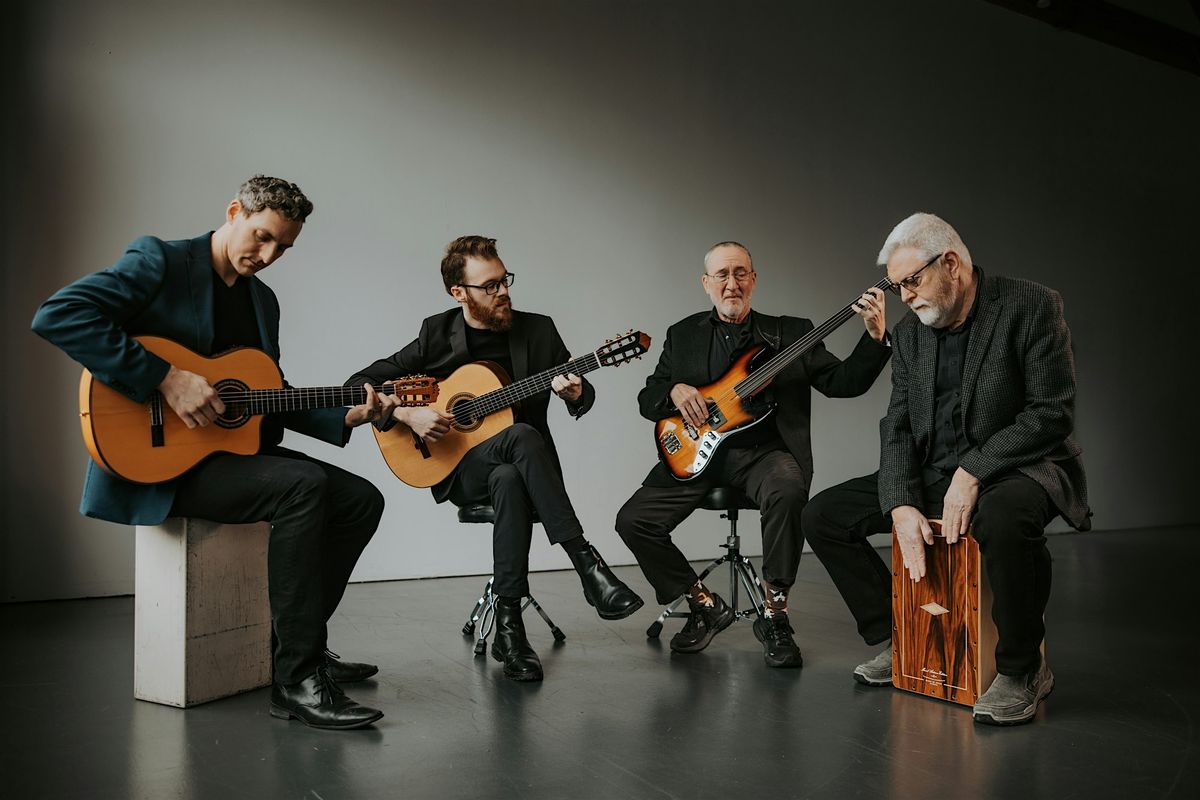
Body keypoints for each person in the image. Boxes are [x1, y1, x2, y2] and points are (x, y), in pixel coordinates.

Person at [32, 175, 395, 730]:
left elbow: (263, 393)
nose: (268, 256)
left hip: (225, 457)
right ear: (233, 212)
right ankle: (297, 682)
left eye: (283, 248)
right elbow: (59, 314)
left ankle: (299, 646)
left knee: (361, 500)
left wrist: (347, 414)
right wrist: (164, 377)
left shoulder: (261, 300)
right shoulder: (160, 262)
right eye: (262, 237)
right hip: (160, 464)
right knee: (304, 487)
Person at [802, 212, 1090, 725]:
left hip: (1019, 466)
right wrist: (900, 501)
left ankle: (1023, 668)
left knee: (1002, 519)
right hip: (935, 470)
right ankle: (900, 638)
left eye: (912, 281)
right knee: (823, 516)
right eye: (897, 286)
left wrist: (973, 471)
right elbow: (897, 424)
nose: (905, 296)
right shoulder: (910, 334)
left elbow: (1051, 412)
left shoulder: (1031, 304)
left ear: (951, 263)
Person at [346, 235, 643, 682]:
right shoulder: (435, 334)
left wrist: (576, 392)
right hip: (458, 467)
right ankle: (587, 564)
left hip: (526, 470)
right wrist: (407, 414)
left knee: (508, 474)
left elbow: (582, 392)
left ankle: (510, 628)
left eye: (505, 280)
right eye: (489, 286)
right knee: (519, 436)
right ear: (458, 292)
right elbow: (359, 384)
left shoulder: (539, 330)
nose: (503, 291)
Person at [614, 241, 891, 667]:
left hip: (764, 455)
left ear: (754, 279)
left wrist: (874, 338)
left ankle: (775, 614)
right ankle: (704, 604)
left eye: (740, 273)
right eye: (722, 275)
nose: (732, 283)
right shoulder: (682, 334)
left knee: (788, 489)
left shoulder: (790, 333)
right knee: (633, 521)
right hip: (699, 456)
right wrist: (674, 391)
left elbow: (843, 383)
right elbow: (647, 398)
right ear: (706, 283)